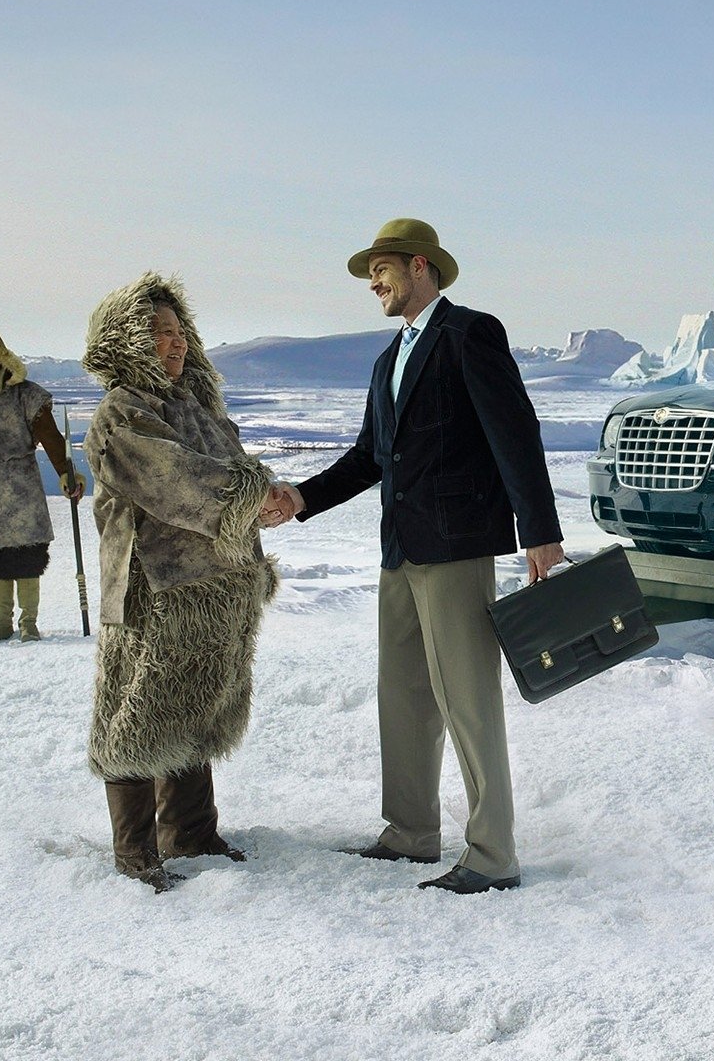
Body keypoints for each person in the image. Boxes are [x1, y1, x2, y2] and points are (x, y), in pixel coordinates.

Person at [273, 217, 564, 895]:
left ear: (420, 267)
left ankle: (492, 854)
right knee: (403, 694)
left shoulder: (469, 334)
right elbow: (369, 456)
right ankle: (410, 832)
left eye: (381, 268)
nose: (372, 282)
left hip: (457, 546)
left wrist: (540, 532)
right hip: (400, 550)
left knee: (468, 699)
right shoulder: (388, 360)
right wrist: (301, 498)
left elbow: (515, 434)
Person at [80, 272, 292, 891]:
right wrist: (251, 493)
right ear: (125, 341)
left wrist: (258, 509)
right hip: (154, 589)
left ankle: (192, 832)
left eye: (179, 332)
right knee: (140, 713)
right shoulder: (123, 414)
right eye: (157, 332)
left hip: (214, 586)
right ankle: (136, 849)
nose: (173, 343)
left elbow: (225, 469)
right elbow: (174, 479)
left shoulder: (195, 408)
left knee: (199, 706)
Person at [0, 326, 86, 644]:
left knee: (27, 554)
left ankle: (28, 622)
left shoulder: (26, 395)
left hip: (22, 484)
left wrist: (66, 473)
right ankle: (0, 622)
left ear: (1, 357)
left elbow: (51, 437)